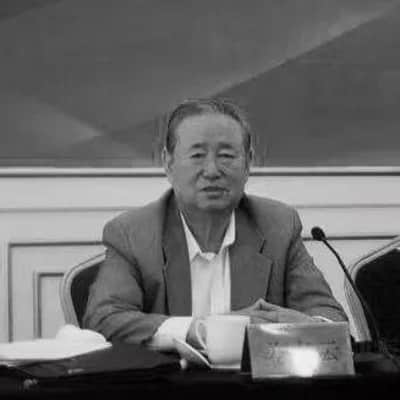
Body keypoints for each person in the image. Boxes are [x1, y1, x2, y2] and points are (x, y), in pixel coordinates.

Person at [83, 98, 347, 350]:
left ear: (248, 163)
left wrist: (304, 325)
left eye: (226, 156)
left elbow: (330, 317)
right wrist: (203, 330)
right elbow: (105, 319)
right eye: (197, 155)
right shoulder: (132, 233)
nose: (211, 171)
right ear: (168, 163)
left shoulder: (278, 226)